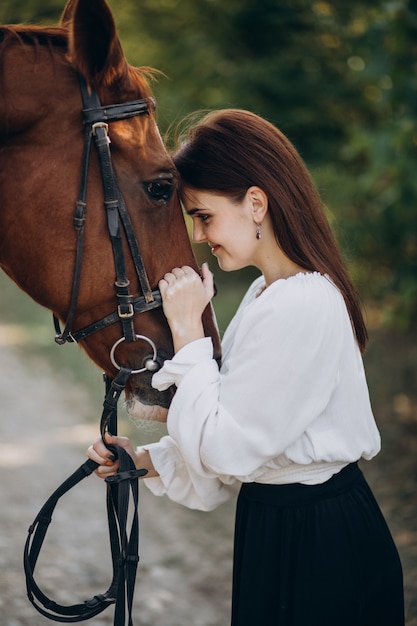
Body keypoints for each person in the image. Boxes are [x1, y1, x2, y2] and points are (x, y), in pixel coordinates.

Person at [88, 109, 404, 625]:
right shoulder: (267, 294)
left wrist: (189, 330)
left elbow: (229, 450)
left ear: (255, 203)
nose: (196, 235)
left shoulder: (303, 302)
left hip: (319, 540)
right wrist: (141, 461)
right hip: (277, 524)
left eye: (204, 215)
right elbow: (238, 432)